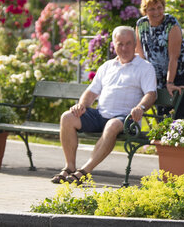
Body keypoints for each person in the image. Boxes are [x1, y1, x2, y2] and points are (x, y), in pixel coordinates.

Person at [51, 25, 157, 184]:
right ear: (114, 45)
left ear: (135, 44)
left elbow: (151, 94)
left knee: (113, 125)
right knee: (67, 117)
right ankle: (70, 167)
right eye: (120, 44)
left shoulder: (145, 67)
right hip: (100, 116)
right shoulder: (107, 67)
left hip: (126, 119)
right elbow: (91, 92)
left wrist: (140, 107)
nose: (124, 48)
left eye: (128, 43)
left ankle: (85, 170)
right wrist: (82, 105)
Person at [135, 0, 184, 119]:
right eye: (152, 9)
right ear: (145, 10)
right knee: (165, 122)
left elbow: (173, 57)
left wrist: (169, 83)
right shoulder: (141, 25)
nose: (156, 12)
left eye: (159, 8)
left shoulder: (171, 23)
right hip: (161, 79)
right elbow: (141, 56)